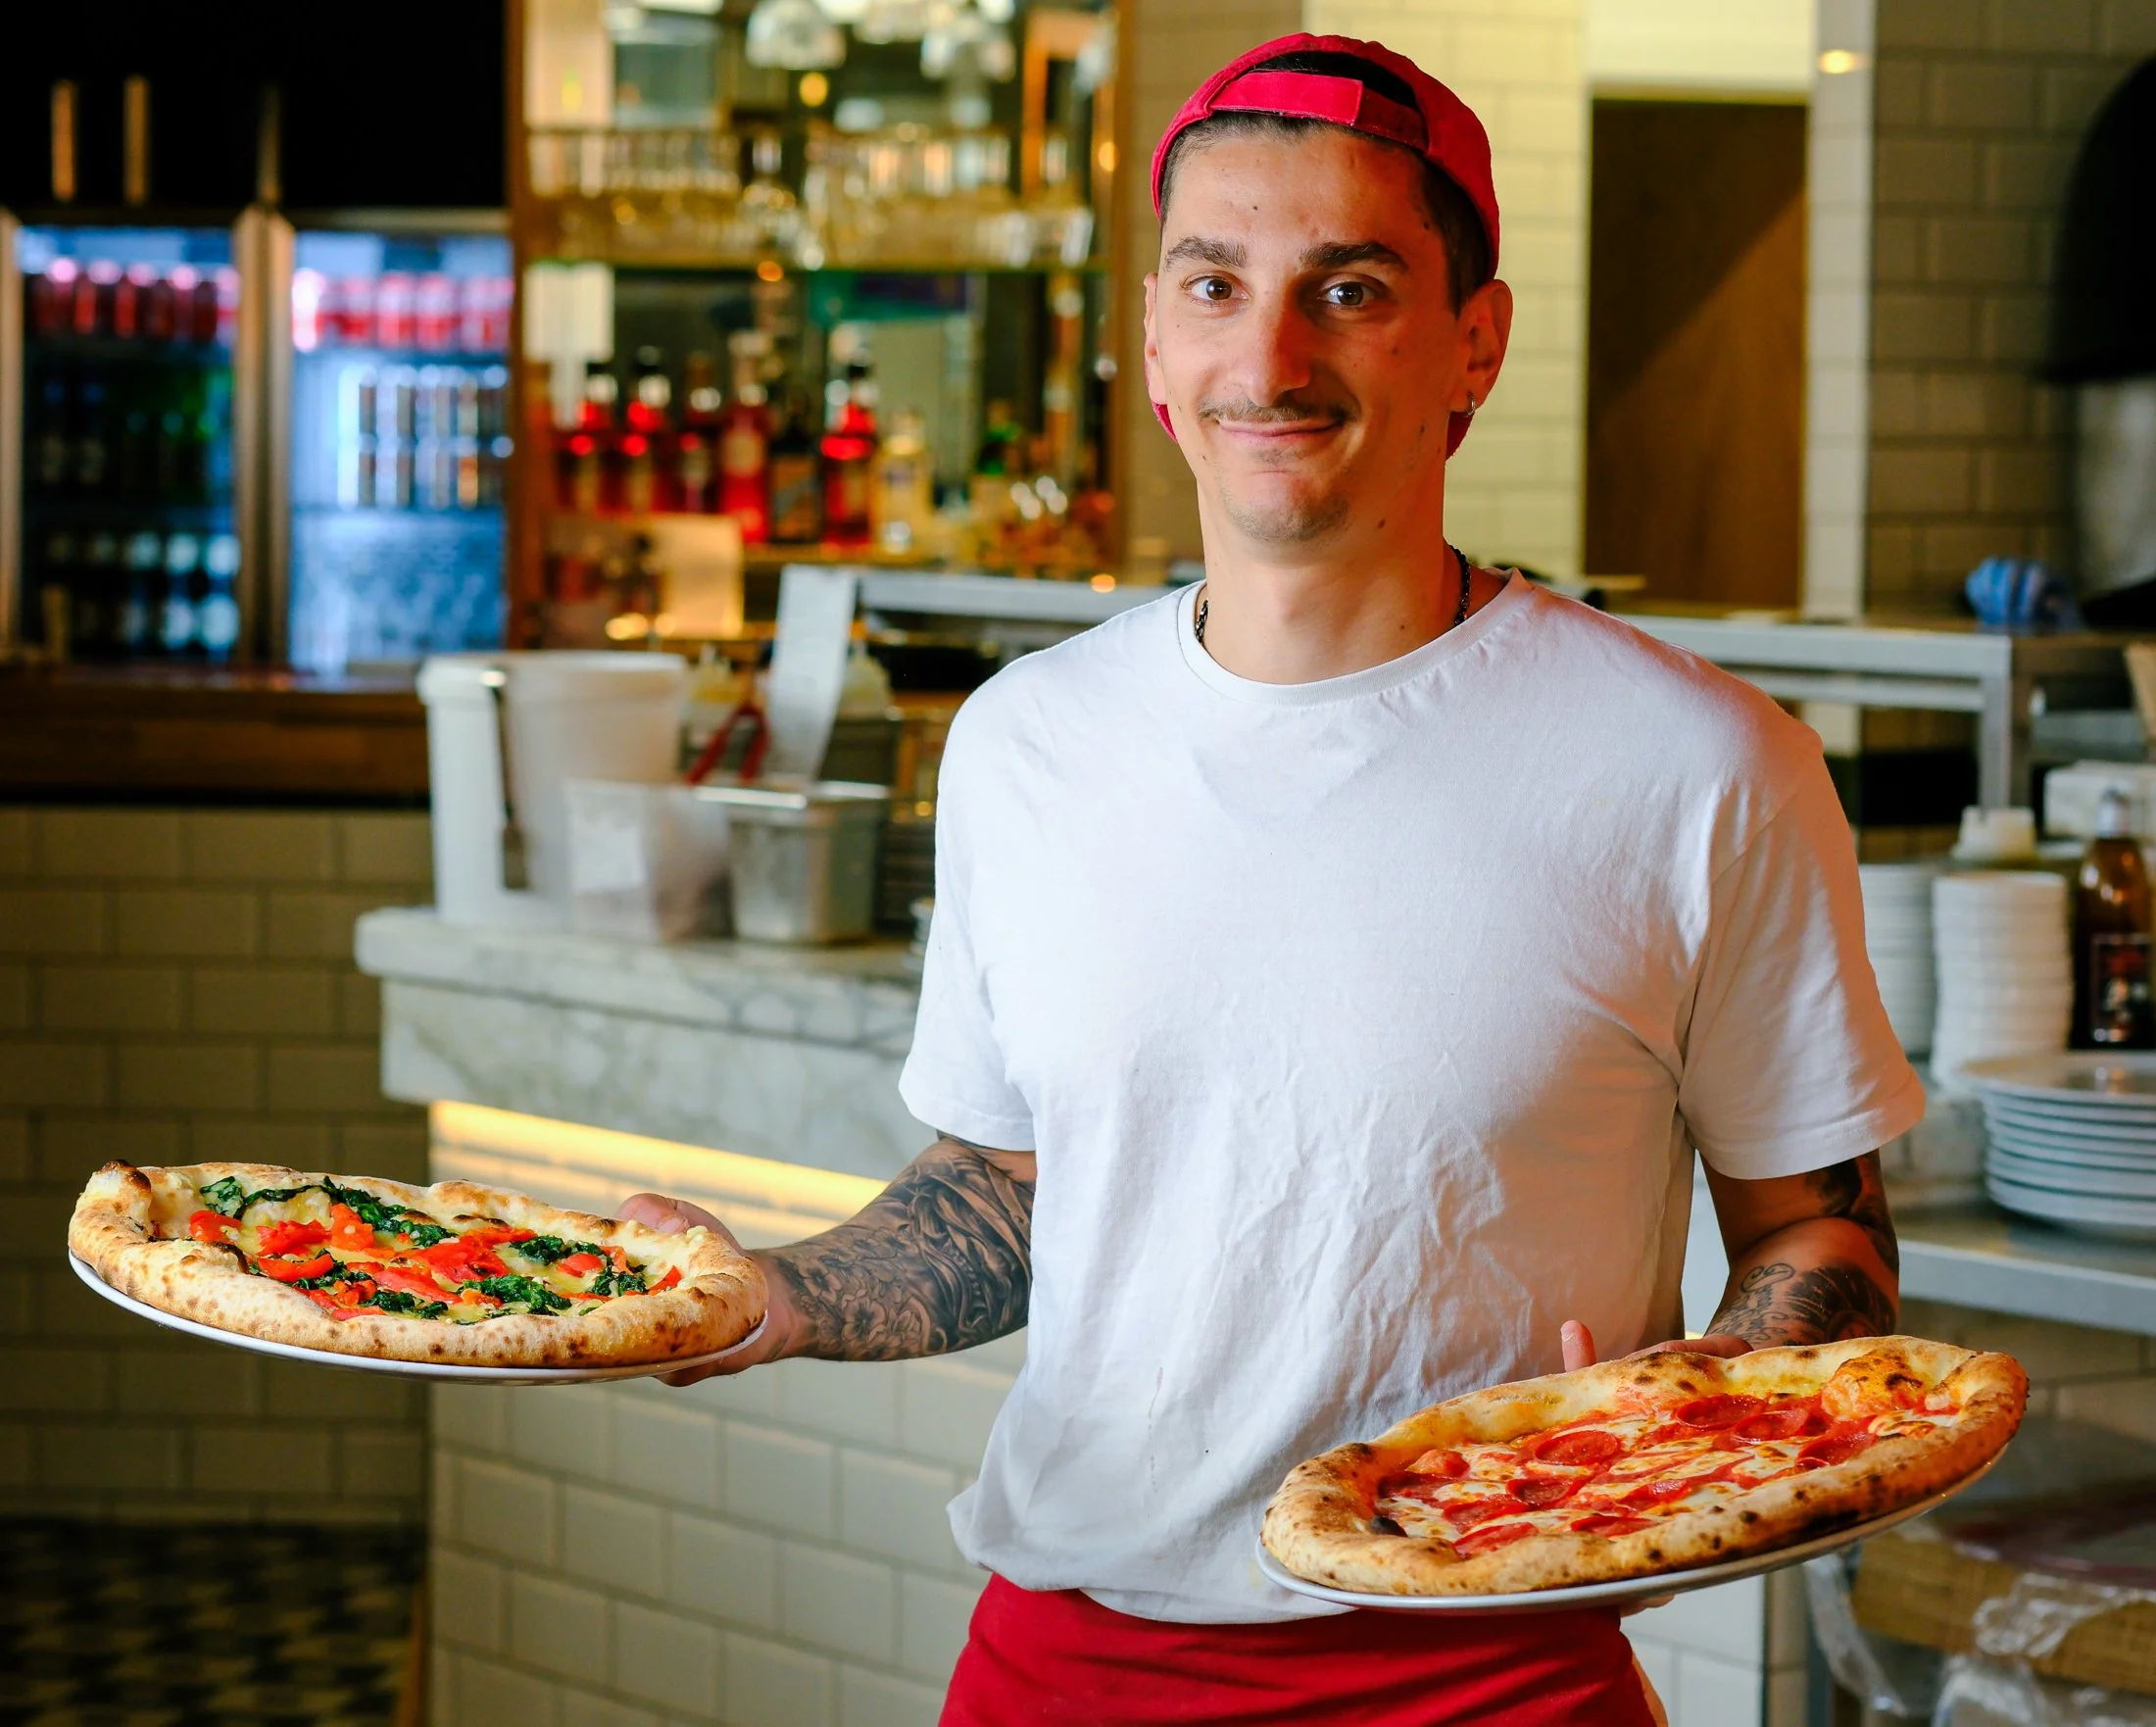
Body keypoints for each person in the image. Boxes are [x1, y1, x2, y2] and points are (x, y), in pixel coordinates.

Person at [623, 32, 1920, 1725]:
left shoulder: (1702, 765)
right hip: (1067, 1662)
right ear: (1156, 346)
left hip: (1494, 1673)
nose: (1272, 351)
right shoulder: (1028, 746)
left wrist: (1701, 1400)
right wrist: (782, 1293)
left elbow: (1823, 1227)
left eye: (1351, 287)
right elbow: (1010, 1189)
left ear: (1476, 345)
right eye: (1215, 283)